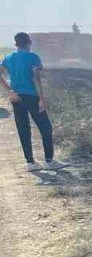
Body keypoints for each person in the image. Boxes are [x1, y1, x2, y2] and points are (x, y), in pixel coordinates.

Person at [1, 33, 63, 171]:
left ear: (16, 44)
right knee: (46, 128)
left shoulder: (8, 57)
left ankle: (30, 163)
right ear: (29, 43)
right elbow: (36, 79)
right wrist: (41, 98)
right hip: (32, 97)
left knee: (23, 129)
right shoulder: (33, 57)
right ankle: (49, 161)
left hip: (16, 97)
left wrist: (9, 91)